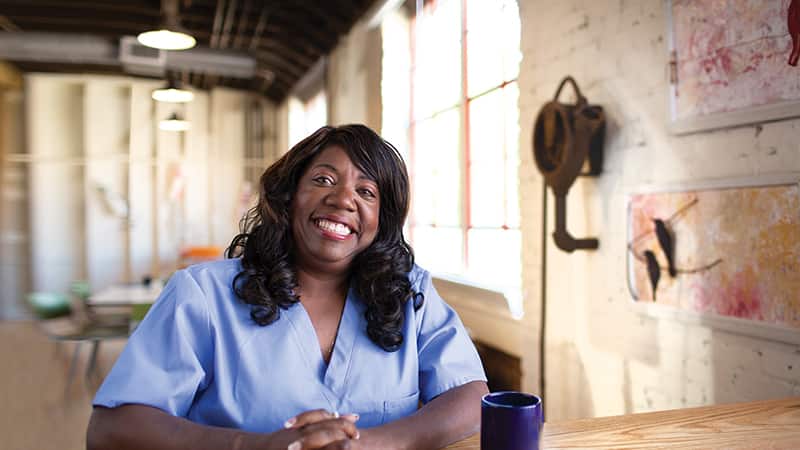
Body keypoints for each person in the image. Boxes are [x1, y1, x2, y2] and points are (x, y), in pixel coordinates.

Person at [86, 124, 488, 449]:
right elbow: (112, 427)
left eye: (366, 192)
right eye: (323, 179)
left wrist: (375, 444)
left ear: (381, 221)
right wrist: (254, 446)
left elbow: (470, 394)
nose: (344, 198)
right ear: (289, 198)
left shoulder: (408, 294)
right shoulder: (202, 294)